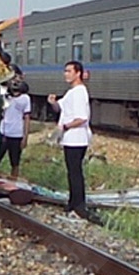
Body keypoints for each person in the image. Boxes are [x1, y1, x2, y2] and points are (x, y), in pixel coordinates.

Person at [47, 60, 100, 224]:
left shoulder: (79, 92)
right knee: (72, 172)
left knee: (75, 173)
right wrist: (53, 103)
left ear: (78, 73)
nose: (66, 74)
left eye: (69, 71)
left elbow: (82, 118)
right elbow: (60, 108)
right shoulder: (72, 92)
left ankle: (78, 205)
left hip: (76, 139)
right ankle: (73, 203)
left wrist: (65, 126)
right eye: (65, 71)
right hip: (70, 139)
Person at [0, 79, 31, 180]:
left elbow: (27, 117)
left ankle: (13, 180)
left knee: (15, 162)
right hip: (3, 132)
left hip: (16, 134)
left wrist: (25, 137)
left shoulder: (25, 99)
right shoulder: (5, 96)